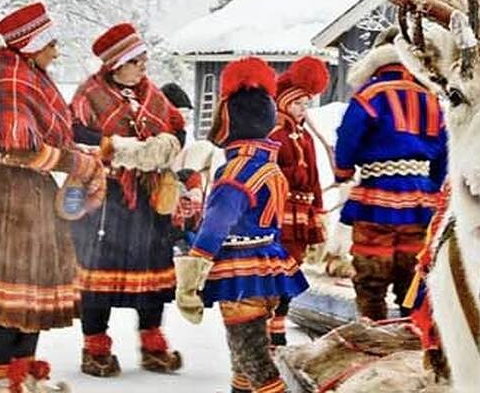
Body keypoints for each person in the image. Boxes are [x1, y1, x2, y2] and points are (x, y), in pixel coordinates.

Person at [0, 2, 106, 393]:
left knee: (32, 292)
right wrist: (76, 164)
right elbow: (16, 149)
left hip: (29, 198)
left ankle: (25, 373)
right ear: (30, 45)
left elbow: (49, 140)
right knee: (7, 294)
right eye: (51, 43)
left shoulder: (31, 78)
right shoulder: (10, 84)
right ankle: (2, 380)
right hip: (3, 202)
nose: (56, 51)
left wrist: (83, 158)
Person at [174, 57, 308, 393]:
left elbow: (217, 223)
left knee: (253, 359)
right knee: (246, 353)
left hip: (240, 274)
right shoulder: (269, 167)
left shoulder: (234, 173)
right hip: (268, 267)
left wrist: (193, 271)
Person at [69, 22, 186, 376]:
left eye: (144, 61)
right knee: (98, 276)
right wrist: (123, 150)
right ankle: (95, 348)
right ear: (115, 64)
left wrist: (165, 145)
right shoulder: (89, 96)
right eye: (136, 61)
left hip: (147, 200)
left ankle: (152, 344)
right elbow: (74, 132)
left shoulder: (154, 95)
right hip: (105, 199)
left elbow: (177, 127)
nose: (143, 68)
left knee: (152, 273)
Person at [333, 29, 448, 321]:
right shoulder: (431, 97)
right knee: (413, 271)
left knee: (372, 271)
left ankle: (373, 327)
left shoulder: (370, 93)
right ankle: (411, 329)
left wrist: (343, 169)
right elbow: (446, 149)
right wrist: (432, 184)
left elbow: (349, 135)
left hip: (376, 196)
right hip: (420, 199)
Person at [268, 55, 329, 346]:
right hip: (282, 213)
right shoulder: (275, 135)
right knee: (279, 270)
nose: (302, 110)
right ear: (283, 104)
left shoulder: (305, 137)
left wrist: (318, 213)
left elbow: (315, 179)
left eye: (306, 104)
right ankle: (272, 329)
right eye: (297, 104)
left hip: (302, 214)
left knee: (293, 268)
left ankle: (278, 325)